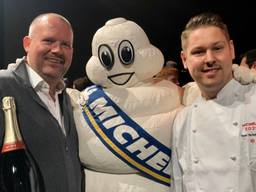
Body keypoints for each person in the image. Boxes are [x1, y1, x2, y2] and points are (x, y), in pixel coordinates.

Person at [171, 12, 256, 192]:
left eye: (217, 48)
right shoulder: (182, 121)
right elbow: (178, 183)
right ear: (184, 60)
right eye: (198, 51)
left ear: (231, 49)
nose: (209, 59)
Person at [0, 13, 83, 192]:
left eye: (65, 45)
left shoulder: (68, 99)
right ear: (27, 44)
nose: (57, 50)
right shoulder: (3, 85)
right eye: (48, 41)